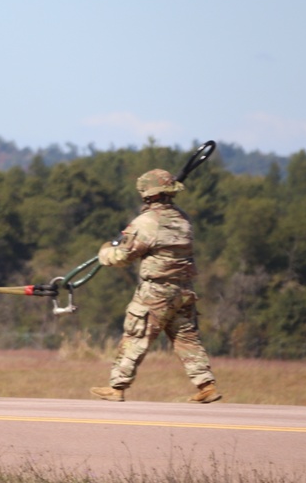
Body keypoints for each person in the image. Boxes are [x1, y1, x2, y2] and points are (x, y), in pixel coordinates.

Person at [90, 169, 221, 403]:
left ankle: (117, 387)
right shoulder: (183, 220)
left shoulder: (147, 222)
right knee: (186, 338)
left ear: (147, 195)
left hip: (156, 292)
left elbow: (123, 256)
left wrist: (104, 253)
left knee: (135, 336)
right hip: (183, 289)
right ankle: (206, 384)